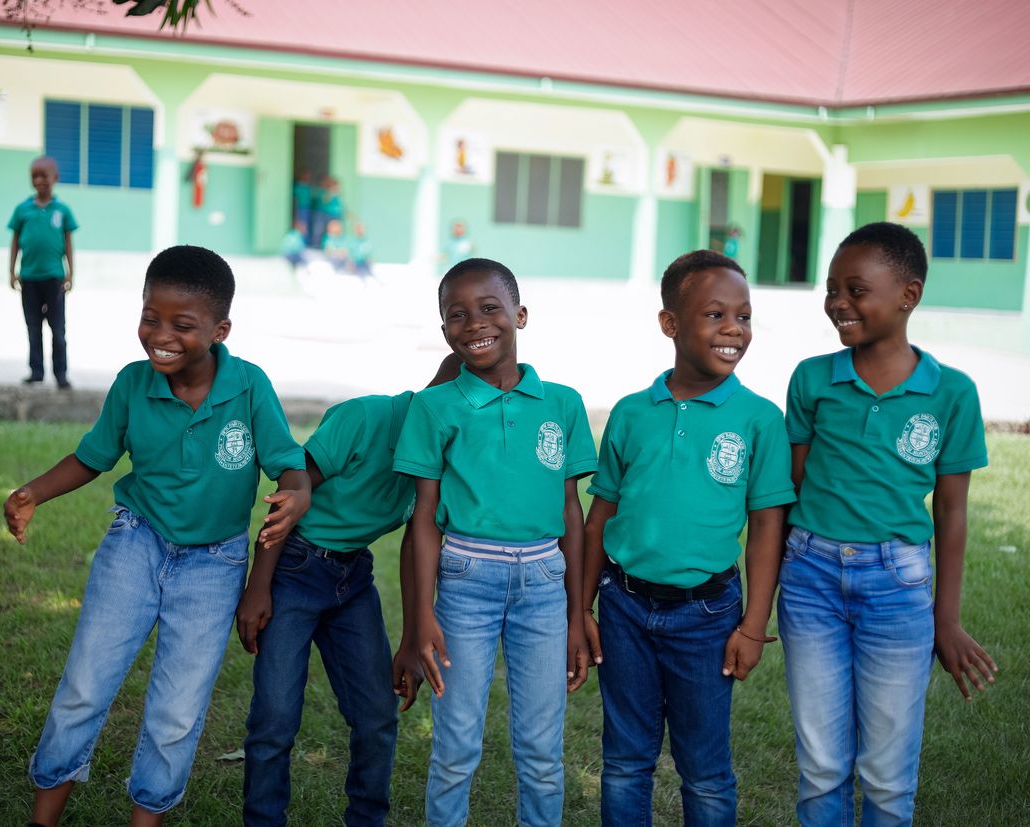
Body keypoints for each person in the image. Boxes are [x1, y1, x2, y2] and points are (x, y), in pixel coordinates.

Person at [4, 245, 310, 827]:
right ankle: (42, 818)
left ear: (220, 329)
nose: (160, 334)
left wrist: (297, 492)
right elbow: (92, 458)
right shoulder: (132, 383)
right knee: (84, 687)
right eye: (150, 316)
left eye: (182, 324)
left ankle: (147, 819)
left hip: (214, 566)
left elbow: (287, 465)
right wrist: (33, 492)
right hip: (135, 544)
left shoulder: (248, 387)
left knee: (176, 712)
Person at [778, 222, 996, 826]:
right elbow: (789, 493)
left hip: (897, 588)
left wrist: (944, 618)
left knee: (888, 777)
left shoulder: (952, 393)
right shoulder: (812, 379)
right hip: (810, 578)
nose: (837, 305)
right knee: (821, 766)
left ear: (909, 295)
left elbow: (952, 512)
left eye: (855, 290)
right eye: (830, 291)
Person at [580, 249, 794, 826]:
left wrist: (753, 624)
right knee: (625, 760)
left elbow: (768, 526)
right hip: (623, 606)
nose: (733, 330)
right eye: (715, 315)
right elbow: (599, 519)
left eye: (743, 317)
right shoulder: (630, 412)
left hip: (707, 614)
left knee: (704, 768)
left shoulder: (757, 418)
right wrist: (581, 610)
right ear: (670, 324)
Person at [394, 258, 597, 827]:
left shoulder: (563, 403)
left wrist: (578, 612)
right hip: (466, 583)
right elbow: (424, 519)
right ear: (443, 330)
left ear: (520, 315)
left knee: (541, 752)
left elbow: (570, 513)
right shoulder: (434, 407)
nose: (474, 323)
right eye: (456, 315)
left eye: (489, 309)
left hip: (543, 585)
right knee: (456, 747)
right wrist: (420, 618)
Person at [239, 353, 461, 827]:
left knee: (378, 715)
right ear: (431, 392)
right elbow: (289, 498)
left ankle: (366, 819)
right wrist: (259, 587)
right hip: (294, 568)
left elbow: (415, 541)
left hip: (352, 579)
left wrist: (407, 640)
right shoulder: (365, 417)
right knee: (274, 720)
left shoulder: (441, 455)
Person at [8, 155, 78, 389]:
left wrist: (70, 273)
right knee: (33, 327)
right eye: (34, 176)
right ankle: (36, 371)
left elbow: (68, 243)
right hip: (28, 278)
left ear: (55, 178)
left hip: (54, 278)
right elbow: (15, 241)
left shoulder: (62, 210)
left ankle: (61, 374)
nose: (39, 181)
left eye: (43, 176)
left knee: (58, 329)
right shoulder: (22, 210)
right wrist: (12, 271)